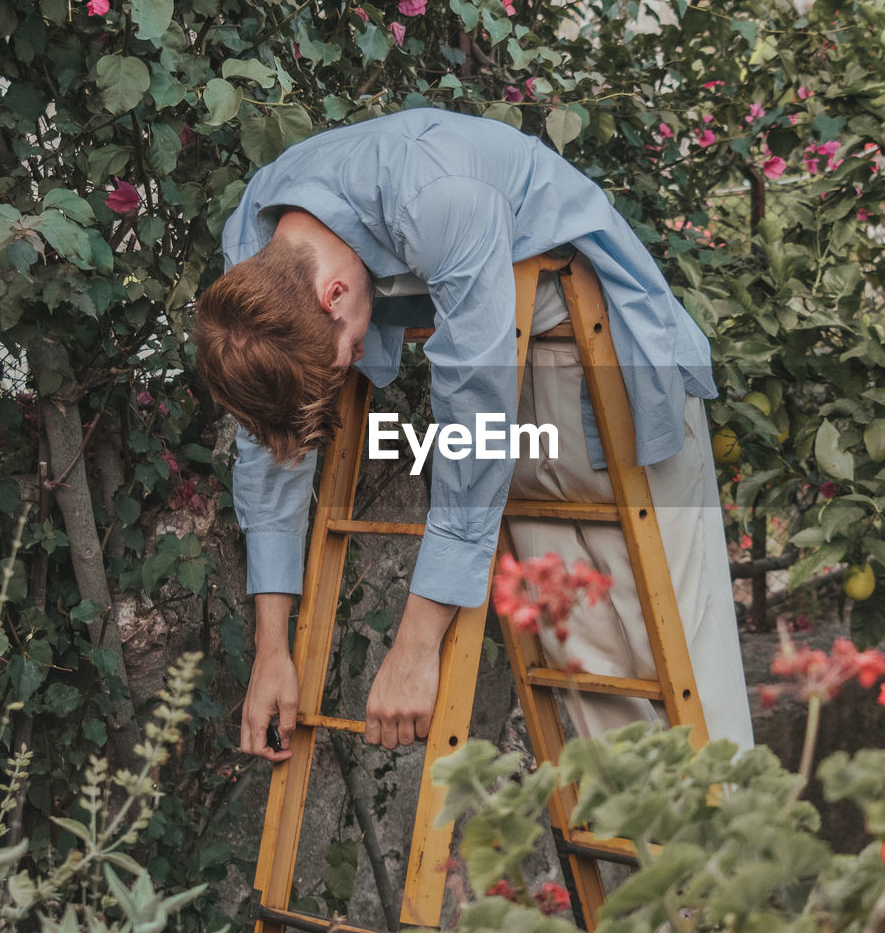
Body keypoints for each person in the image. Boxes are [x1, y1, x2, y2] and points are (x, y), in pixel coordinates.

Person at [193, 107, 754, 760]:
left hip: (610, 363)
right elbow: (271, 447)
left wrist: (415, 647)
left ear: (334, 294)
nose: (340, 382)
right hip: (518, 371)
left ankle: (734, 854)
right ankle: (661, 857)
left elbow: (477, 423)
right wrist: (271, 649)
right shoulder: (257, 247)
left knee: (685, 662)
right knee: (589, 669)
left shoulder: (436, 194)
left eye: (337, 362)